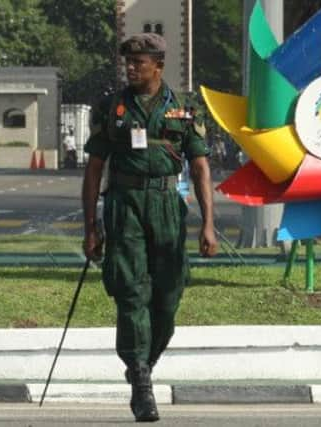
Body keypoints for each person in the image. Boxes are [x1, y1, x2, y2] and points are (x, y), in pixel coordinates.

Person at [82, 33, 218, 423]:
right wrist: (91, 227)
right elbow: (94, 170)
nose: (130, 68)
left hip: (166, 206)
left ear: (158, 65)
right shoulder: (111, 108)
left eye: (139, 62)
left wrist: (208, 224)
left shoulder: (186, 108)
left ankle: (145, 360)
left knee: (169, 295)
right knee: (130, 292)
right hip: (125, 205)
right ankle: (141, 381)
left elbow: (201, 167)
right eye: (127, 62)